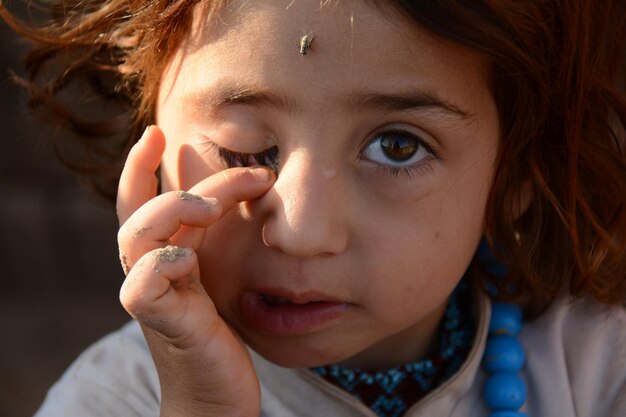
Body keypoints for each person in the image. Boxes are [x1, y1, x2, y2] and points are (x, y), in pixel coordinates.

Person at [1, 0, 625, 416]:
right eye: (244, 148)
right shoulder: (113, 399)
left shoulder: (596, 372)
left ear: (514, 170)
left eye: (398, 146)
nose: (301, 231)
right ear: (150, 142)